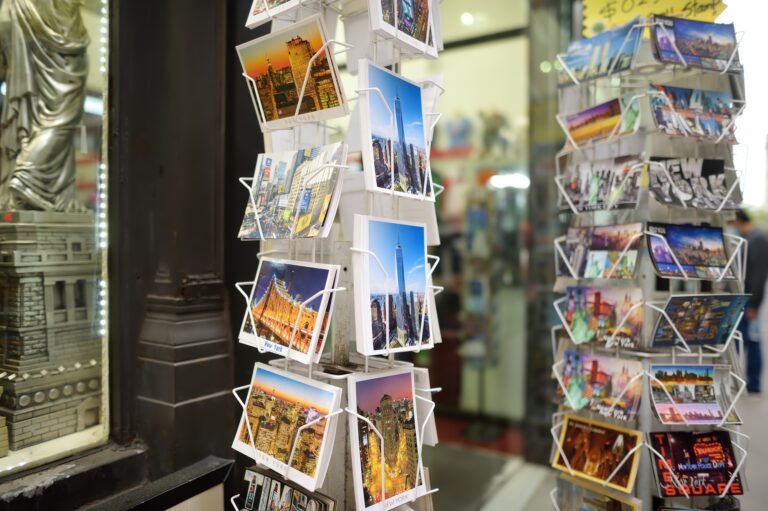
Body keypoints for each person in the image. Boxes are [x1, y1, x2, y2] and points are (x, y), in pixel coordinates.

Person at [729, 208, 768, 393]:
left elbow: (759, 275)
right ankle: (742, 382)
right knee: (740, 341)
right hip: (742, 300)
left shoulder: (757, 238)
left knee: (751, 342)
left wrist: (753, 305)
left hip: (748, 302)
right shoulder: (748, 237)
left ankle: (753, 384)